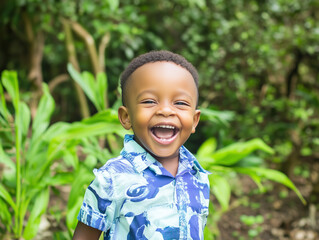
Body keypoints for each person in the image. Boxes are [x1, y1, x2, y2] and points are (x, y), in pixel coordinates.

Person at [73, 50, 210, 240]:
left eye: (179, 102)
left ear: (194, 120)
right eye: (149, 101)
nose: (165, 110)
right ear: (126, 117)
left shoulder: (197, 176)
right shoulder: (112, 179)